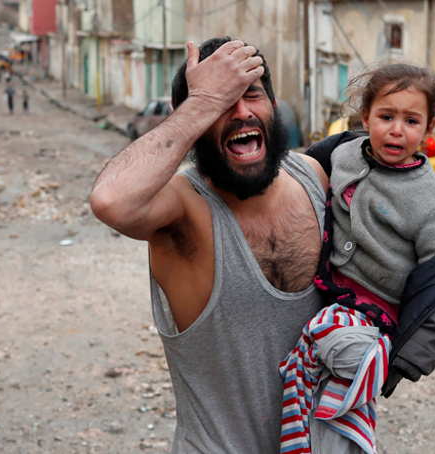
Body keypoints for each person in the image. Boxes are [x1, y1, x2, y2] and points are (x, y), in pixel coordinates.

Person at [90, 37, 332, 453]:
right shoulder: (182, 210)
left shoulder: (313, 175)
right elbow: (111, 200)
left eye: (251, 95)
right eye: (222, 103)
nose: (240, 112)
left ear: (273, 105)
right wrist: (202, 98)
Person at [279, 63, 435, 454]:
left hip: (376, 314)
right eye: (386, 116)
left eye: (411, 121)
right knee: (303, 381)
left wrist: (408, 359)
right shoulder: (342, 156)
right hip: (331, 295)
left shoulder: (431, 203)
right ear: (365, 119)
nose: (397, 129)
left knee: (338, 364)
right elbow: (300, 179)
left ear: (427, 131)